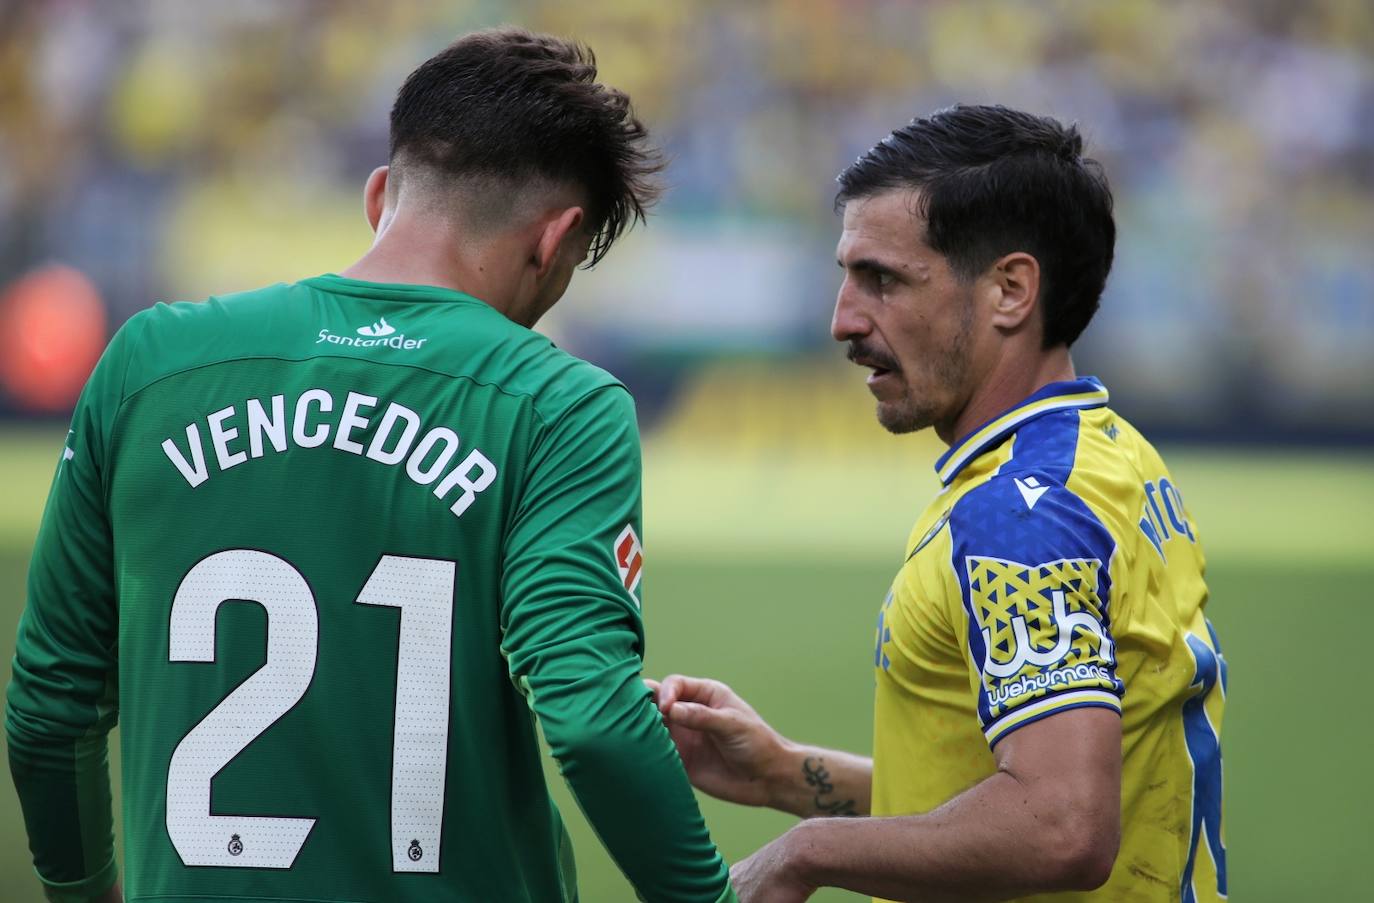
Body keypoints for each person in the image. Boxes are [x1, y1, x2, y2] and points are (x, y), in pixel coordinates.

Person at [6, 28, 737, 903]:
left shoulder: (151, 362)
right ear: (557, 240)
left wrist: (83, 892)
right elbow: (592, 718)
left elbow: (51, 704)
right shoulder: (559, 405)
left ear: (380, 193)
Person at [652, 105, 1226, 902]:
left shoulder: (1018, 514)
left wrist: (807, 851)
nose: (842, 321)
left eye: (882, 279)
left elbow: (1060, 824)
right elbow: (1017, 785)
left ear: (1010, 290)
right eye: (847, 277)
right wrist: (789, 772)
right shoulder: (1104, 457)